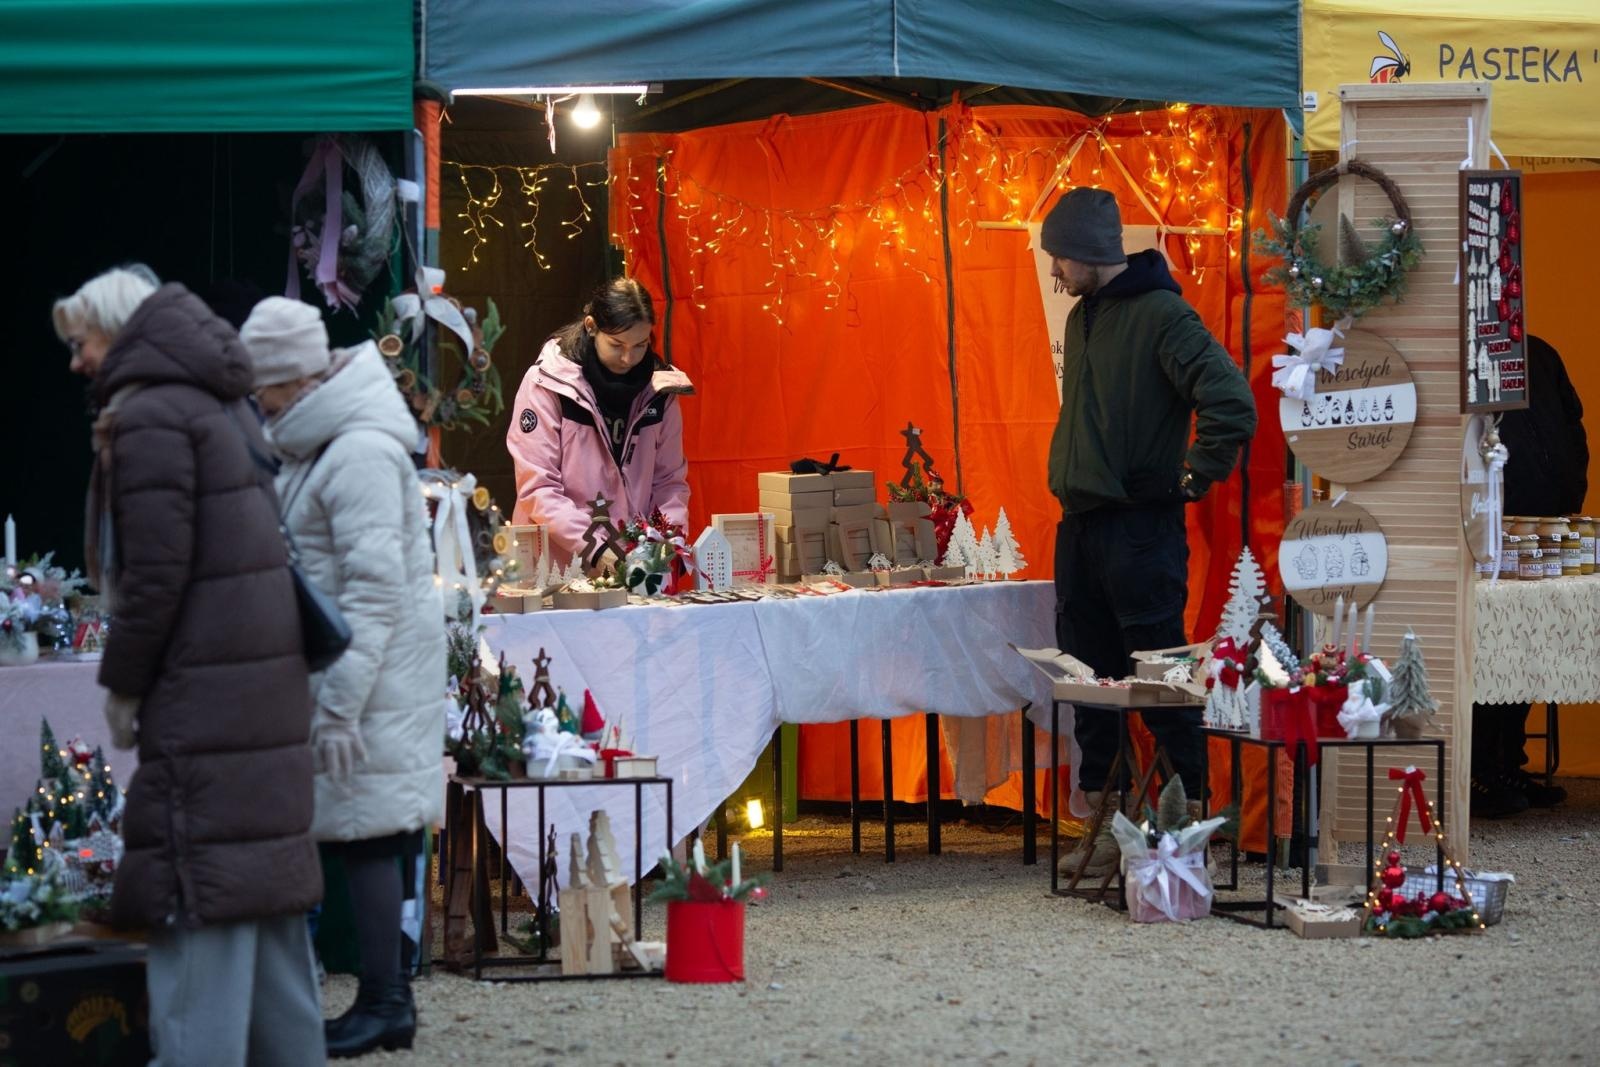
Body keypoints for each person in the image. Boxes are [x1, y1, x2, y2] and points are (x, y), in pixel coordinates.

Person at [55, 267, 326, 1065]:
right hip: (257, 702)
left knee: (199, 920)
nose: (76, 361)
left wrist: (124, 683)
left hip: (204, 705)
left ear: (118, 331)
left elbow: (154, 579)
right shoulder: (219, 400)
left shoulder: (147, 417)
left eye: (82, 342)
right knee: (268, 922)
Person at [240, 297, 445, 1058]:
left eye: (262, 383)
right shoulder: (321, 441)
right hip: (361, 662)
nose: (256, 400)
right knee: (363, 826)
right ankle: (382, 997)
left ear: (292, 378)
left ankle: (387, 1000)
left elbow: (372, 588)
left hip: (374, 667)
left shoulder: (356, 450)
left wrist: (340, 707)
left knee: (368, 829)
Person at [1041, 189, 1258, 876]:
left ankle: (1183, 830)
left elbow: (1230, 399)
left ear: (1087, 252)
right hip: (1082, 530)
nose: (1054, 274)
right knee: (1092, 687)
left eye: (1059, 258)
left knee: (1162, 684)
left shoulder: (1164, 314)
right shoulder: (1081, 321)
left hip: (1140, 533)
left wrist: (1192, 477)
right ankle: (1110, 830)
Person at [1471, 334, 1586, 818]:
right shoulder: (1466, 354)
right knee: (1489, 652)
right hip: (1488, 526)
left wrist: (1569, 498)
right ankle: (1483, 773)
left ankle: (1510, 765)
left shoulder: (1538, 351)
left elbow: (1571, 423)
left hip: (1543, 524)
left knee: (1528, 649)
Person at [505, 277, 691, 566]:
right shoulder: (548, 384)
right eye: (617, 345)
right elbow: (538, 487)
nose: (629, 358)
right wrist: (597, 550)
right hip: (555, 565)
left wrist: (665, 546)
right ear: (591, 327)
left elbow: (669, 482)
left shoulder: (661, 392)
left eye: (641, 345)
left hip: (634, 564)